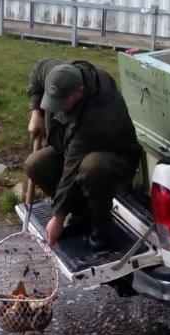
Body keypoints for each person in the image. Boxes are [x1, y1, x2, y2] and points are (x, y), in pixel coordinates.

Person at [25, 58, 141, 251]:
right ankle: (81, 215)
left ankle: (102, 229)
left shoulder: (98, 112)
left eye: (62, 103)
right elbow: (37, 74)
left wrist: (58, 217)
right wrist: (36, 113)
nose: (56, 108)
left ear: (79, 92)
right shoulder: (56, 74)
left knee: (91, 167)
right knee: (35, 164)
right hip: (69, 148)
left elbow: (71, 169)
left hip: (116, 158)